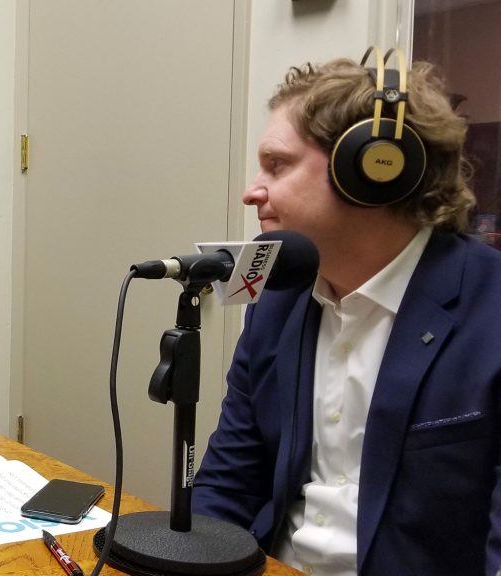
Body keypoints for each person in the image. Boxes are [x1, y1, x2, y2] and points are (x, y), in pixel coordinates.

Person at [192, 50, 501, 576]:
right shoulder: (276, 301)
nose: (252, 191)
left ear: (372, 171)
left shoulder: (489, 310)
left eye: (277, 164)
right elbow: (228, 484)